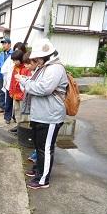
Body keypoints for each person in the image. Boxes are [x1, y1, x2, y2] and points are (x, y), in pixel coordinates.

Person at [15, 38, 68, 189]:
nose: (35, 60)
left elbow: (43, 89)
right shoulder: (44, 67)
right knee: (39, 146)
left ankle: (43, 179)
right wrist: (26, 80)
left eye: (37, 57)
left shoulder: (55, 68)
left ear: (45, 56)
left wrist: (25, 82)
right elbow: (35, 83)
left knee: (45, 148)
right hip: (41, 114)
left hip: (50, 116)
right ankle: (38, 170)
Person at [8, 50, 31, 131]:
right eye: (13, 60)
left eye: (16, 60)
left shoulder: (26, 68)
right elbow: (12, 80)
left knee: (23, 112)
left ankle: (23, 128)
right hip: (15, 93)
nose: (14, 62)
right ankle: (18, 125)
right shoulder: (15, 68)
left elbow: (27, 83)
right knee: (17, 110)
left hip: (23, 95)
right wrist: (10, 91)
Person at [0, 37, 12, 113]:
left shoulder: (13, 53)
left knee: (9, 92)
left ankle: (8, 109)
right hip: (2, 76)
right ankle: (2, 107)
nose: (3, 45)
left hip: (9, 76)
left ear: (9, 44)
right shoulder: (1, 54)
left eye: (5, 43)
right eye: (3, 43)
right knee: (1, 91)